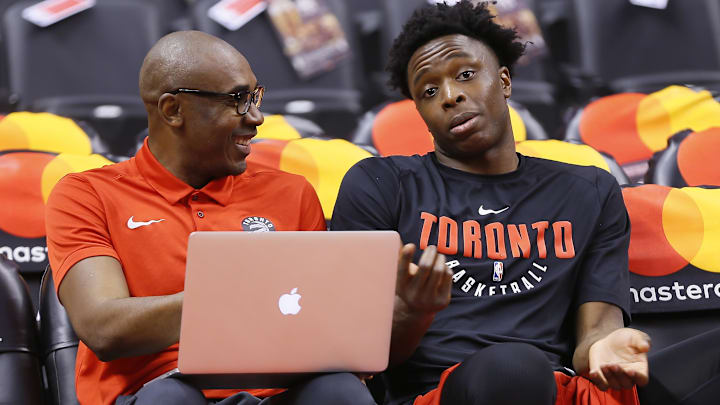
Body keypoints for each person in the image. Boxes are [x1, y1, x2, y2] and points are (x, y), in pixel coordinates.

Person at [331, 2, 651, 404]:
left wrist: (602, 349)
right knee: (514, 367)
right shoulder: (380, 184)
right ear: (421, 112)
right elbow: (355, 359)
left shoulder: (588, 190)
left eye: (466, 74)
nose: (450, 96)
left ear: (504, 81)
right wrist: (413, 312)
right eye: (429, 91)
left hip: (559, 389)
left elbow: (596, 332)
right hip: (438, 394)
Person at [45, 31, 375, 405]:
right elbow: (104, 328)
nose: (256, 117)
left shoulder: (292, 192)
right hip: (158, 391)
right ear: (172, 110)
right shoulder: (85, 194)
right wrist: (233, 294)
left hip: (279, 391)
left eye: (254, 96)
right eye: (237, 100)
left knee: (340, 389)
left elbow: (320, 325)